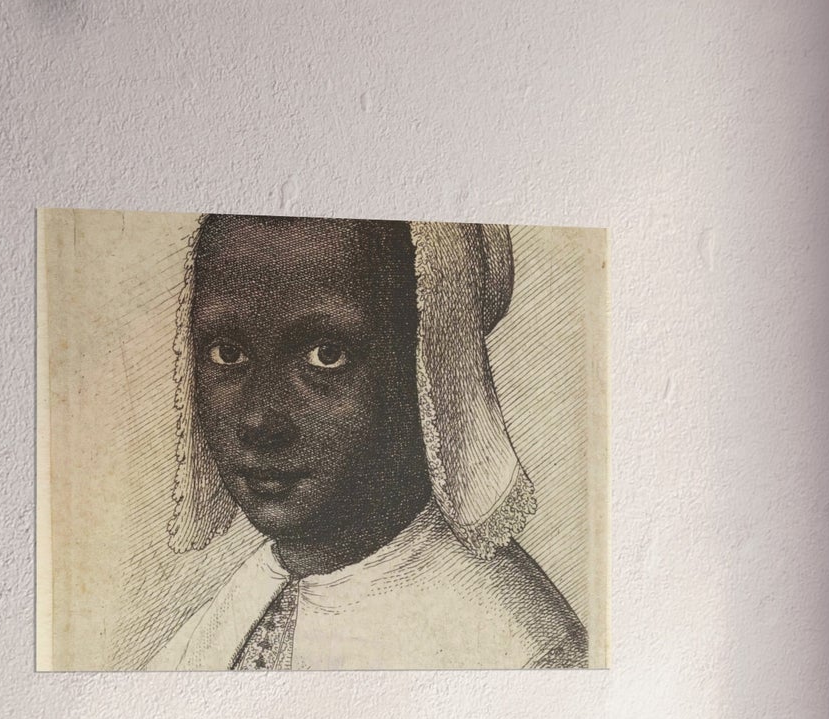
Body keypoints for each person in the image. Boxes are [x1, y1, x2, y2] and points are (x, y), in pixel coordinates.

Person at [146, 213, 587, 670]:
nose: (259, 419)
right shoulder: (225, 616)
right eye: (228, 354)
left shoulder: (521, 651)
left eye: (327, 356)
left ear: (429, 368)